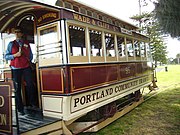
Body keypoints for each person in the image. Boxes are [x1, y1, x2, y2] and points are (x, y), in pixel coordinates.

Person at [5, 26, 37, 115]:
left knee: (30, 85)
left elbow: (30, 56)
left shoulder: (26, 43)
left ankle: (32, 104)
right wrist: (15, 55)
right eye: (15, 32)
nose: (17, 33)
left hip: (26, 66)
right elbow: (6, 56)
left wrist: (28, 60)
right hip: (15, 68)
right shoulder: (11, 44)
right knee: (17, 88)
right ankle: (20, 109)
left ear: (22, 34)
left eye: (18, 32)